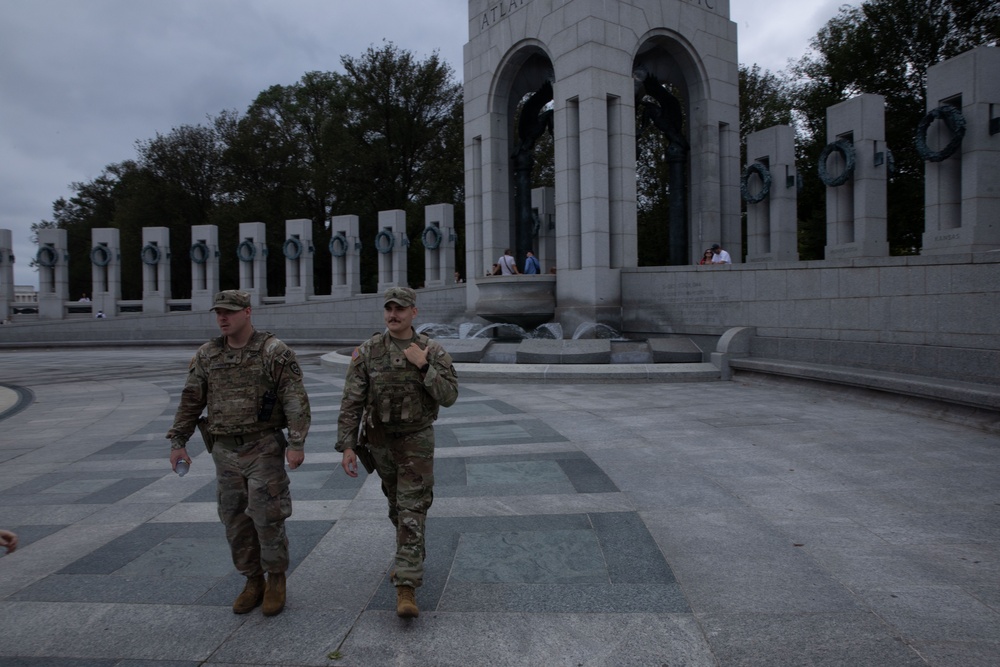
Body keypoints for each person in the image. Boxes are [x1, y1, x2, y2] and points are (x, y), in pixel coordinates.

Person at [166, 289, 311, 617]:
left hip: (263, 448)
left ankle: (276, 578)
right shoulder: (207, 355)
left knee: (267, 516)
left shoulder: (273, 351)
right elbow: (191, 400)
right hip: (225, 452)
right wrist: (178, 442)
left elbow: (294, 397)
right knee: (234, 520)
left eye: (229, 312)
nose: (222, 318)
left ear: (247, 312)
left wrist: (297, 442)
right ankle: (252, 579)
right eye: (219, 312)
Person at [336, 286, 458, 619]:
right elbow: (352, 401)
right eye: (389, 308)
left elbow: (449, 396)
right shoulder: (368, 351)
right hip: (380, 444)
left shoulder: (431, 350)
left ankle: (406, 585)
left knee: (411, 507)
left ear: (413, 312)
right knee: (396, 505)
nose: (394, 314)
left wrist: (423, 367)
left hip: (416, 441)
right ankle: (412, 552)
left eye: (400, 309)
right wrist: (347, 445)